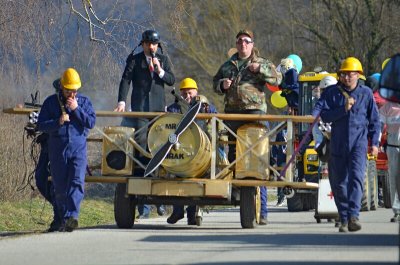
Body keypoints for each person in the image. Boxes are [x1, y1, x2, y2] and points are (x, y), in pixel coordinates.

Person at [213, 29, 282, 225]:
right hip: (232, 114)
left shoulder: (262, 62)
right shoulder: (228, 65)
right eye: (239, 41)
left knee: (259, 161)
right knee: (235, 157)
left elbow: (278, 79)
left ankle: (263, 211)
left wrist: (259, 70)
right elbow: (214, 83)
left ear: (252, 44)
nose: (243, 43)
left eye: (246, 41)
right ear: (236, 44)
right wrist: (222, 85)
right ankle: (240, 199)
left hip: (255, 114)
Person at [315, 57, 380, 232]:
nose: (347, 78)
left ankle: (353, 216)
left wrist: (374, 142)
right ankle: (343, 217)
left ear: (358, 75)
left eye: (351, 74)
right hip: (337, 143)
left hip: (358, 144)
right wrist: (342, 109)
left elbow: (374, 120)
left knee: (357, 179)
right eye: (343, 74)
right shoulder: (332, 93)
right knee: (339, 183)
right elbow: (325, 115)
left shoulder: (366, 94)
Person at [115, 29, 175, 219]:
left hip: (158, 110)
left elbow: (172, 80)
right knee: (141, 146)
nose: (151, 47)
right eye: (148, 43)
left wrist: (160, 71)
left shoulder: (164, 60)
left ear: (158, 45)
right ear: (142, 44)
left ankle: (160, 197)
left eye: (154, 44)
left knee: (159, 147)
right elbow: (125, 81)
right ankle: (143, 201)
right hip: (141, 109)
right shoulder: (134, 60)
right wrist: (122, 102)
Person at [37, 68, 96, 232]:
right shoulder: (50, 102)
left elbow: (91, 122)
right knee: (60, 186)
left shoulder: (84, 101)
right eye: (69, 90)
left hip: (78, 149)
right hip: (57, 150)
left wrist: (77, 109)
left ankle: (72, 217)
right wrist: (58, 122)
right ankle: (62, 218)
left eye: (75, 90)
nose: (72, 94)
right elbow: (41, 125)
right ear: (62, 87)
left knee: (77, 182)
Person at [166, 77, 217, 225]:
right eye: (184, 93)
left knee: (197, 177)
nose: (187, 96)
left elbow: (216, 123)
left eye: (190, 93)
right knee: (175, 174)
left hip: (201, 151)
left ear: (196, 92)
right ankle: (177, 211)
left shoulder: (206, 107)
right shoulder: (173, 109)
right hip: (179, 150)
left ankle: (192, 213)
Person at [379, 100, 400, 222]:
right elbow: (380, 125)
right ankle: (397, 211)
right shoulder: (387, 107)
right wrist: (376, 141)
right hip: (393, 146)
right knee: (394, 178)